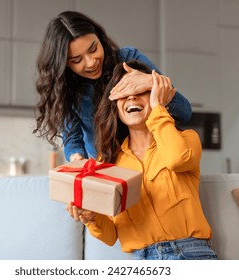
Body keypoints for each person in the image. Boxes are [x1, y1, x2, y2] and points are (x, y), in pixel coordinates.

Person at [67, 60, 218, 260]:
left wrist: (157, 107)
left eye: (141, 89)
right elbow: (111, 235)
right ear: (115, 106)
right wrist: (91, 217)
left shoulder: (186, 139)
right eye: (123, 91)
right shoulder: (108, 163)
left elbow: (177, 160)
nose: (131, 95)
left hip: (190, 253)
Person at [33, 11, 192, 162]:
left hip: (151, 165)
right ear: (64, 65)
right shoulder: (66, 87)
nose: (91, 62)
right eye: (76, 60)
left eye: (93, 49)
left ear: (99, 37)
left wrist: (152, 81)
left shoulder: (129, 59)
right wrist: (77, 158)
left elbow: (184, 112)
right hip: (107, 171)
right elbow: (72, 140)